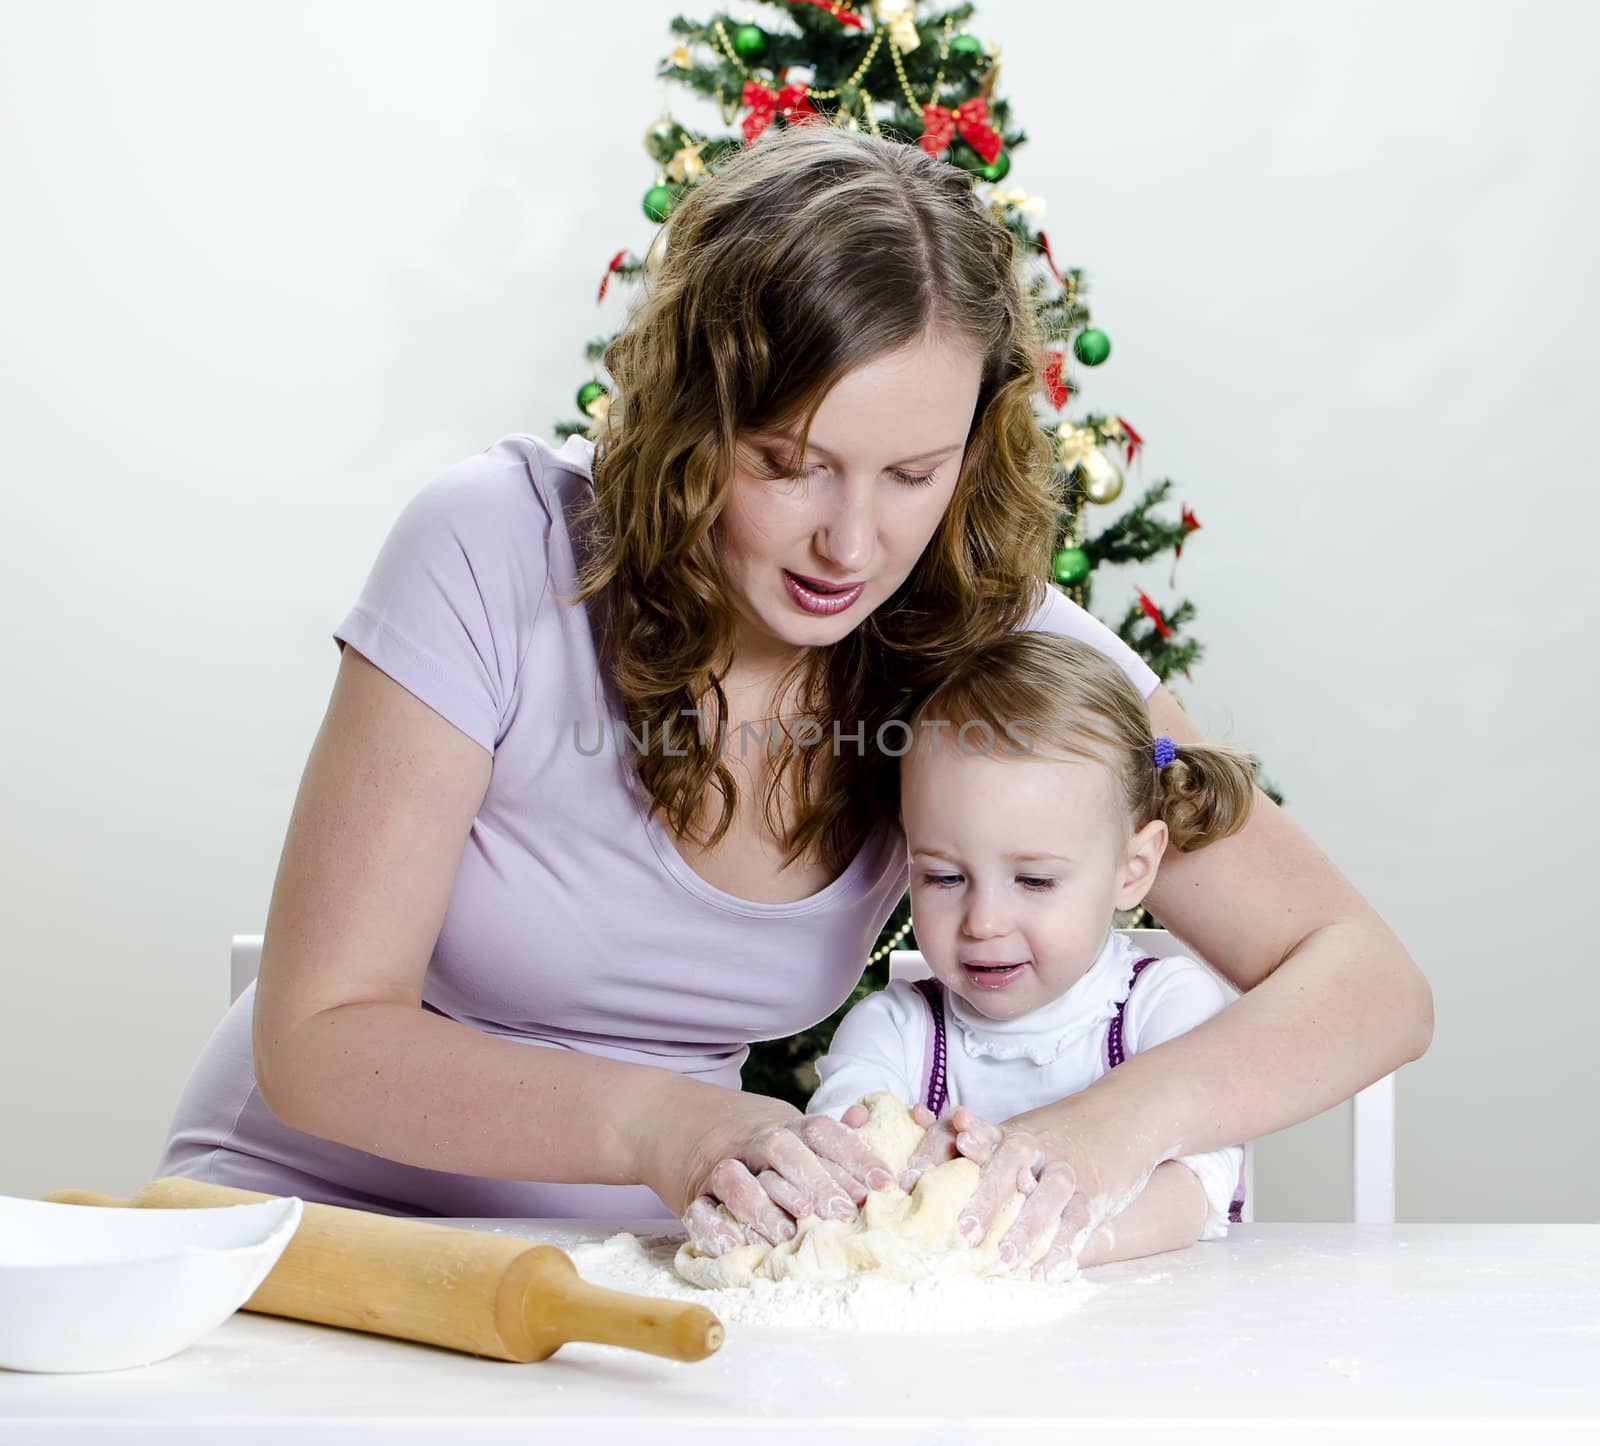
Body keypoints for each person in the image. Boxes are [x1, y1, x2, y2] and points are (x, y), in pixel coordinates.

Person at [156, 123, 1432, 1259]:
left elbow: (1365, 981)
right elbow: (317, 1035)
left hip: (615, 1282)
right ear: (687, 417)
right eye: (790, 464)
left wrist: (1109, 1128)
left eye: (911, 473)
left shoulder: (984, 647)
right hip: (295, 1237)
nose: (851, 544)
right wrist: (662, 1121)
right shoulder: (497, 547)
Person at [797, 632, 1254, 1281]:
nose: (983, 922)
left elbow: (1194, 1191)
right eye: (943, 878)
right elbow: (845, 1162)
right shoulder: (895, 1034)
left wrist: (1036, 1244)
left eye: (1035, 881)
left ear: (1134, 867)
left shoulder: (1166, 1009)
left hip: (1146, 1353)